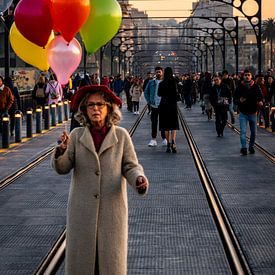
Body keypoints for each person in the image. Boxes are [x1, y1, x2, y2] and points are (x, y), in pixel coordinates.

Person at [52, 85, 148, 275]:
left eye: (100, 105)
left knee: (109, 264)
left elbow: (130, 166)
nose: (95, 109)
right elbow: (62, 168)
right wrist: (61, 151)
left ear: (109, 108)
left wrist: (139, 178)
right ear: (84, 110)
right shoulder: (76, 136)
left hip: (111, 213)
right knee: (83, 264)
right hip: (82, 212)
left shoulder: (121, 136)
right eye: (90, 105)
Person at [234, 69, 263, 155]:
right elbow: (235, 98)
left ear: (251, 76)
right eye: (245, 75)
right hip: (243, 113)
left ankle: (251, 146)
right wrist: (239, 100)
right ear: (243, 76)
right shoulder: (240, 86)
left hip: (253, 113)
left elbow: (260, 96)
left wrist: (260, 101)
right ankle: (244, 148)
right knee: (243, 131)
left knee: (253, 132)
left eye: (248, 75)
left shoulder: (256, 86)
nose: (247, 76)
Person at [158, 67, 179, 153]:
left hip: (164, 105)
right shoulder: (174, 82)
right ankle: (173, 141)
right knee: (173, 125)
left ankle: (168, 143)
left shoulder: (161, 83)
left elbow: (159, 94)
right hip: (172, 105)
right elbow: (176, 93)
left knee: (165, 126)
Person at [144, 66, 167, 147]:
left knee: (163, 122)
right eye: (157, 72)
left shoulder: (165, 82)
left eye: (159, 72)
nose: (158, 73)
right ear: (155, 73)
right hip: (154, 105)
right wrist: (149, 101)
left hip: (163, 105)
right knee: (154, 122)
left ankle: (164, 138)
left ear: (162, 72)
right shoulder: (151, 82)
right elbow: (146, 92)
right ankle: (153, 139)